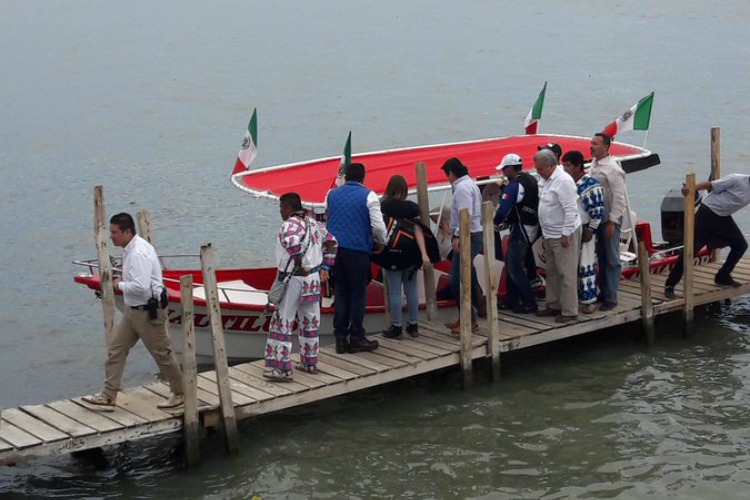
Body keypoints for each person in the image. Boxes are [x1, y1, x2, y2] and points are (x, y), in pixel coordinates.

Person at [82, 213, 184, 411]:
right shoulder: (129, 249)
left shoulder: (138, 253)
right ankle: (108, 395)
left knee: (162, 354)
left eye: (114, 232)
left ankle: (179, 393)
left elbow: (141, 287)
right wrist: (124, 279)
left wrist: (119, 285)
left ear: (127, 232)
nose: (111, 236)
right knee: (116, 349)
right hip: (133, 311)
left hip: (148, 311)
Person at [263, 193, 338, 381]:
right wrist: (326, 267)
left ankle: (282, 368)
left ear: (288, 208)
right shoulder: (314, 224)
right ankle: (309, 363)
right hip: (312, 279)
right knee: (310, 320)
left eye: (281, 208)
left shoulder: (289, 225)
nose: (280, 211)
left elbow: (291, 242)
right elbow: (332, 242)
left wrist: (298, 262)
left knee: (284, 320)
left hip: (294, 278)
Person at [326, 163, 387, 354]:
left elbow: (329, 219)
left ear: (345, 177)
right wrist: (382, 242)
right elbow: (378, 226)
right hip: (358, 250)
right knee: (358, 295)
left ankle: (340, 338)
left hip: (336, 250)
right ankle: (357, 337)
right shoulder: (369, 196)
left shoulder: (331, 194)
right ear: (363, 177)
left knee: (341, 293)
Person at [664, 174, 750, 298]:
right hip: (706, 214)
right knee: (690, 252)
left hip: (722, 218)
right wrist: (690, 189)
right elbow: (709, 185)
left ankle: (722, 276)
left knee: (741, 245)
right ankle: (670, 285)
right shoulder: (737, 179)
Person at [378, 175, 432, 339]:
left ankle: (396, 327)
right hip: (412, 255)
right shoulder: (411, 208)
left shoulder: (383, 207)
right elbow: (418, 230)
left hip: (392, 254)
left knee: (395, 292)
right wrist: (424, 254)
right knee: (411, 290)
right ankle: (413, 325)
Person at [534, 150, 582, 323]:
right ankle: (553, 304)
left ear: (551, 165)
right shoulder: (545, 180)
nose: (538, 172)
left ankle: (570, 310)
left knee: (566, 272)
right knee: (552, 271)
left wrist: (566, 233)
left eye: (540, 169)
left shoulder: (564, 181)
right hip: (549, 233)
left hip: (562, 233)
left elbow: (570, 209)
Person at [441, 157, 484, 335]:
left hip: (468, 235)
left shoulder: (462, 188)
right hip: (472, 233)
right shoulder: (469, 184)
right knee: (467, 274)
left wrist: (457, 236)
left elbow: (465, 214)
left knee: (456, 278)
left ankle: (469, 318)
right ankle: (470, 313)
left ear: (451, 173)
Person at [493, 153, 540, 314]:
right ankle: (511, 299)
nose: (503, 172)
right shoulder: (531, 179)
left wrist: (495, 222)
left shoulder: (514, 186)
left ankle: (529, 302)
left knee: (513, 266)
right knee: (511, 263)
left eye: (504, 169)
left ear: (511, 168)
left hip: (522, 230)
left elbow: (503, 210)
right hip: (532, 226)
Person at [562, 150, 605, 314]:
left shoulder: (590, 184)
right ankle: (571, 299)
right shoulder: (566, 182)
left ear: (577, 166)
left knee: (586, 265)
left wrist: (591, 230)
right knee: (570, 266)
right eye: (564, 165)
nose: (564, 168)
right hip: (570, 228)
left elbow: (598, 210)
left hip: (585, 228)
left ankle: (589, 301)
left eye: (567, 165)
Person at [589, 132, 627, 311]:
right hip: (597, 218)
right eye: (591, 143)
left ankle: (611, 297)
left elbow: (619, 197)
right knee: (601, 257)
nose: (591, 146)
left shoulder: (613, 169)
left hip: (609, 219)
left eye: (595, 144)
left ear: (605, 147)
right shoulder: (594, 165)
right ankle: (603, 292)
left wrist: (613, 221)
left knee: (612, 258)